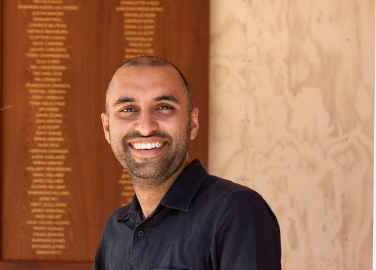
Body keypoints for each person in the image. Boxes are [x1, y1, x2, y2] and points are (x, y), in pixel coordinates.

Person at [94, 56, 281, 270]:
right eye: (128, 110)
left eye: (164, 107)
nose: (146, 127)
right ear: (107, 128)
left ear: (192, 123)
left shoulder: (236, 211)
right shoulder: (115, 230)